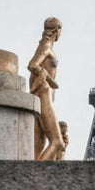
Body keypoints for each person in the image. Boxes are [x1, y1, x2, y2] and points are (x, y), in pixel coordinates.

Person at [28, 17, 65, 160]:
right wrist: (52, 81)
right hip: (44, 93)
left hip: (44, 94)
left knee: (38, 144)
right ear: (57, 30)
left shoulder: (46, 46)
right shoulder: (46, 47)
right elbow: (32, 65)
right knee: (57, 142)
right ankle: (38, 174)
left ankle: (34, 173)